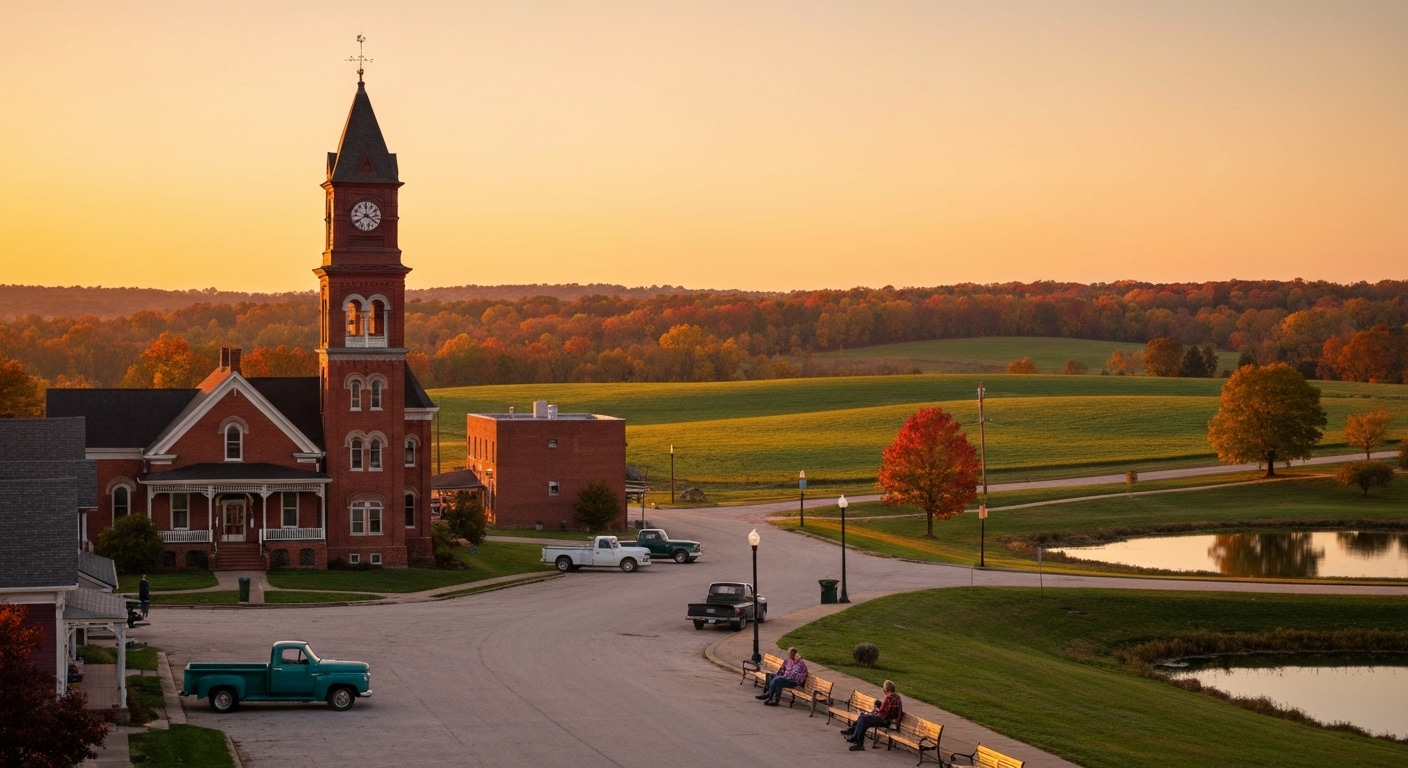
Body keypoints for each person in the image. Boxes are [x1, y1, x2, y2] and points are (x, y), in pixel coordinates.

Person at [842, 680, 902, 751]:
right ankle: (855, 736)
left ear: (885, 689)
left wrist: (874, 712)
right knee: (863, 717)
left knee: (864, 718)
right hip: (887, 719)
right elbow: (890, 711)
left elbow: (884, 713)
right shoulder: (897, 697)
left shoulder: (889, 698)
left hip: (885, 721)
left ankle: (859, 743)